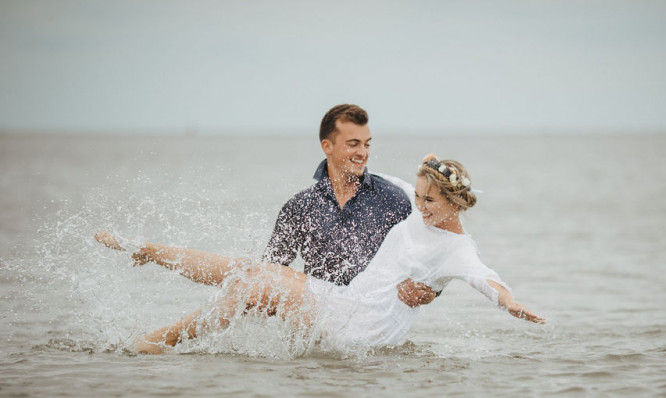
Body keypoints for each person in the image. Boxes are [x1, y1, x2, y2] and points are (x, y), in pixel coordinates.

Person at [96, 155, 545, 354]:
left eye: (430, 201)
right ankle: (150, 251)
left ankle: (163, 342)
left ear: (454, 203)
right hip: (342, 301)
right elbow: (400, 181)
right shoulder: (416, 204)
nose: (420, 206)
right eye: (420, 196)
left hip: (363, 329)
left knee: (254, 282)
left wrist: (510, 303)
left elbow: (485, 278)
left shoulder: (457, 249)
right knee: (253, 270)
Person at [96, 104, 438, 309]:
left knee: (250, 276)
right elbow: (270, 274)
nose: (363, 152)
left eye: (366, 144)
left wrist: (427, 290)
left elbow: (436, 251)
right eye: (353, 144)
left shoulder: (392, 199)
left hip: (370, 320)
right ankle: (153, 255)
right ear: (327, 146)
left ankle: (152, 262)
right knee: (248, 276)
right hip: (317, 315)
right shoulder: (300, 207)